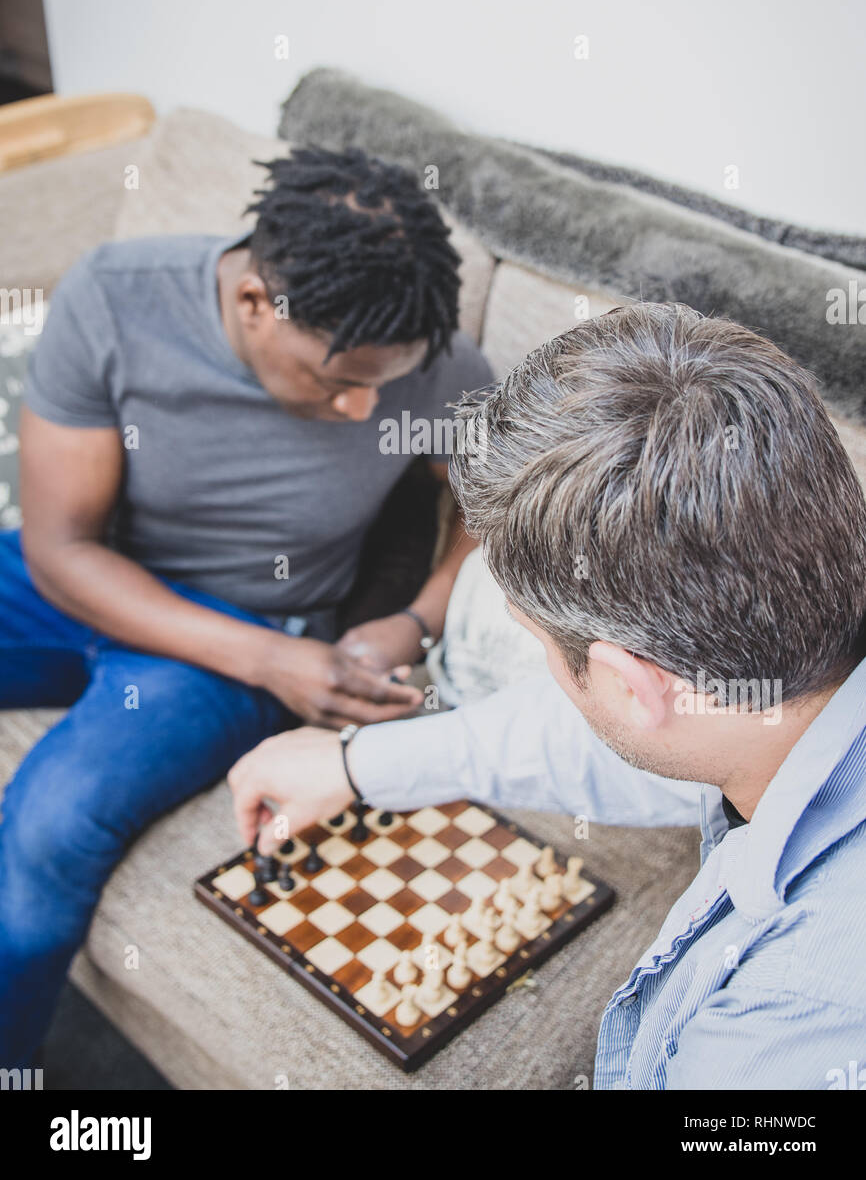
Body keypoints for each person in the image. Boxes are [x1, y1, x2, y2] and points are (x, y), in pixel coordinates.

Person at [229, 303, 866, 1090]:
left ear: (636, 685)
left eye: (543, 650)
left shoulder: (778, 1036)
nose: (553, 680)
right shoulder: (777, 692)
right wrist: (357, 762)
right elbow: (660, 737)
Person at [0, 146, 491, 1067]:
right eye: (338, 381)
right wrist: (268, 666)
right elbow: (60, 549)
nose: (363, 409)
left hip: (251, 630)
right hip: (87, 580)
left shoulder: (436, 362)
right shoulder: (116, 296)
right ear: (255, 304)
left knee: (52, 824)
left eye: (385, 384)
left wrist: (418, 616)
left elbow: (498, 510)